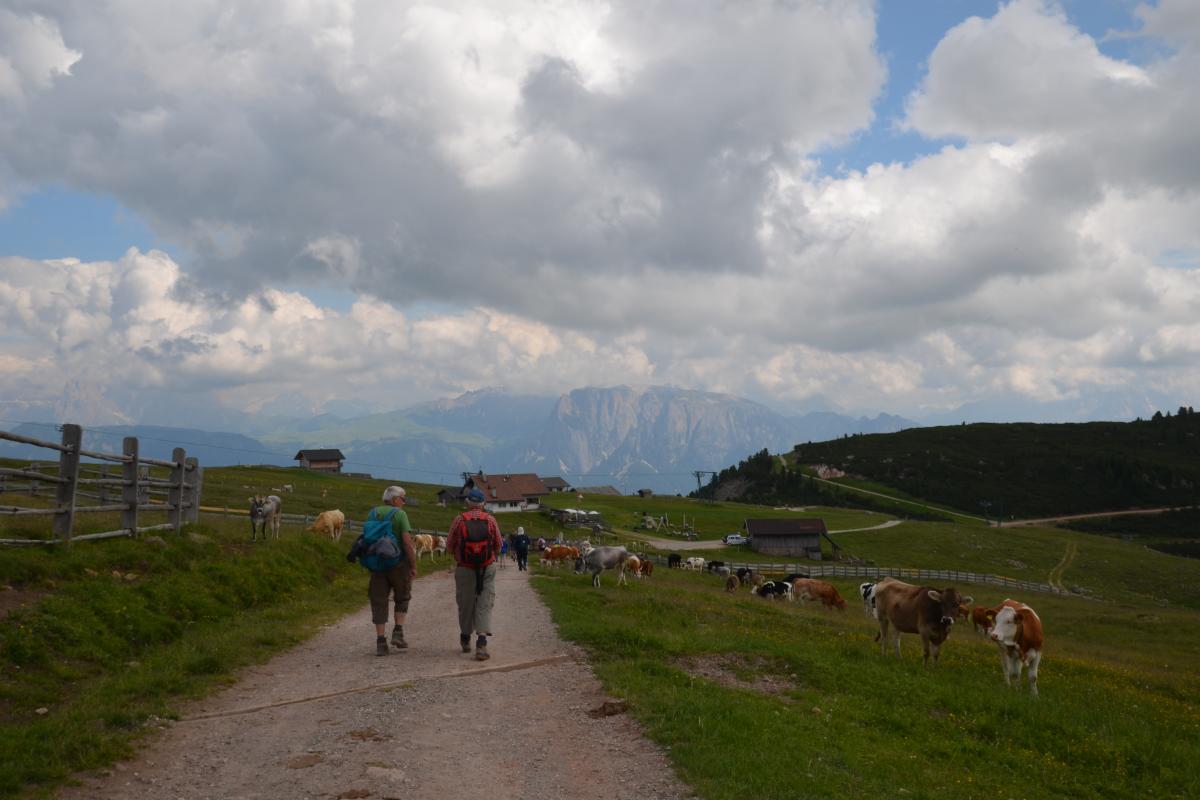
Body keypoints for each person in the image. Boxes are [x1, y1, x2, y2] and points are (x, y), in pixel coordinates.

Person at [446, 488, 502, 660]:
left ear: (467, 503)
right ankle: (482, 643)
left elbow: (449, 545)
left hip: (465, 567)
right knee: (485, 602)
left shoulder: (459, 520)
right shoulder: (490, 520)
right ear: (483, 504)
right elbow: (498, 545)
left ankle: (465, 638)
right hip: (486, 567)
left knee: (465, 602)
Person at [363, 486, 417, 656]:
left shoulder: (372, 513)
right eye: (403, 498)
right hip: (398, 564)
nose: (404, 501)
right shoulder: (400, 514)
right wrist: (413, 565)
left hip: (377, 565)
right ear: (394, 500)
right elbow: (407, 543)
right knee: (402, 596)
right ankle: (398, 633)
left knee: (379, 600)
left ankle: (380, 641)